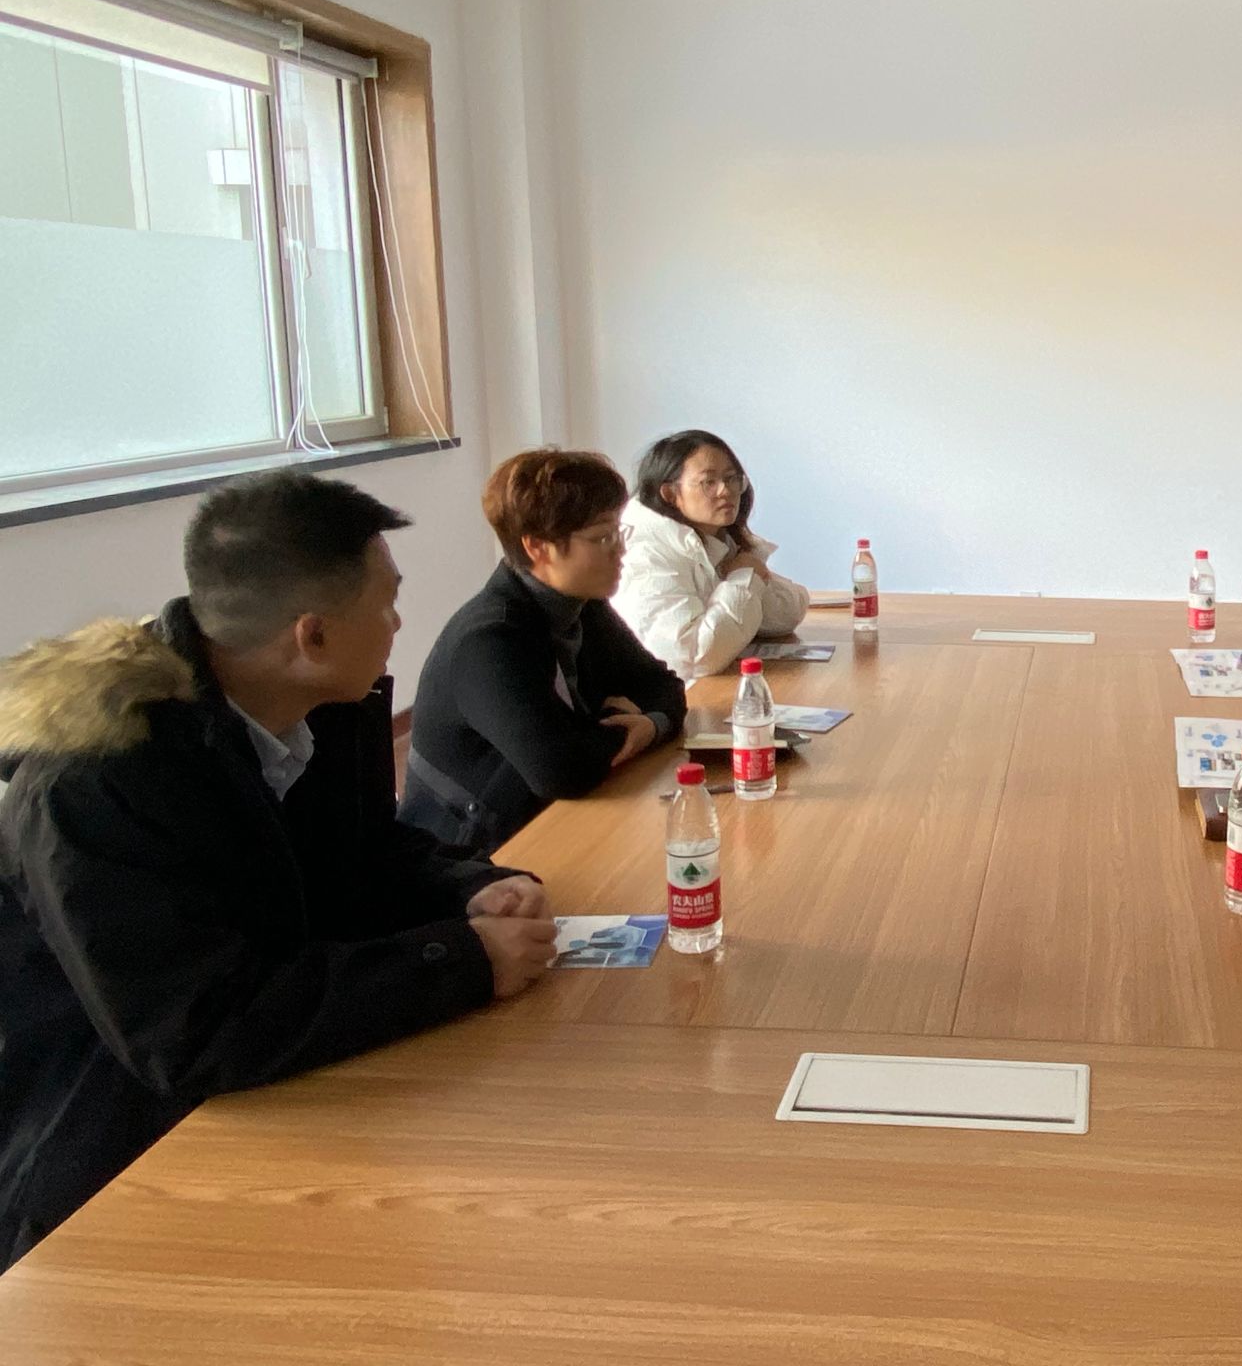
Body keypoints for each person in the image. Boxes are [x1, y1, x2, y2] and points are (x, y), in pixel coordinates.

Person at [0, 473, 557, 1271]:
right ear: (312, 635)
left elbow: (362, 854)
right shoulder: (96, 784)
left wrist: (469, 886)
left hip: (278, 1082)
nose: (400, 624)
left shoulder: (305, 700)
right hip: (112, 1156)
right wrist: (459, 962)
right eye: (387, 603)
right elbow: (193, 1034)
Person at [399, 450, 684, 856]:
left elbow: (665, 685)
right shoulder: (489, 639)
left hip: (552, 816)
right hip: (473, 856)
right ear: (537, 547)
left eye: (619, 532)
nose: (620, 550)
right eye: (602, 537)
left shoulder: (583, 605)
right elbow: (560, 770)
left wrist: (648, 725)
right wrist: (623, 729)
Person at [612, 430, 811, 679]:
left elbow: (787, 614)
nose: (725, 491)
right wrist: (743, 578)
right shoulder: (646, 553)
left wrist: (747, 572)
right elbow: (693, 658)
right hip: (672, 697)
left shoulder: (716, 540)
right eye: (709, 482)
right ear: (670, 494)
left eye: (731, 478)